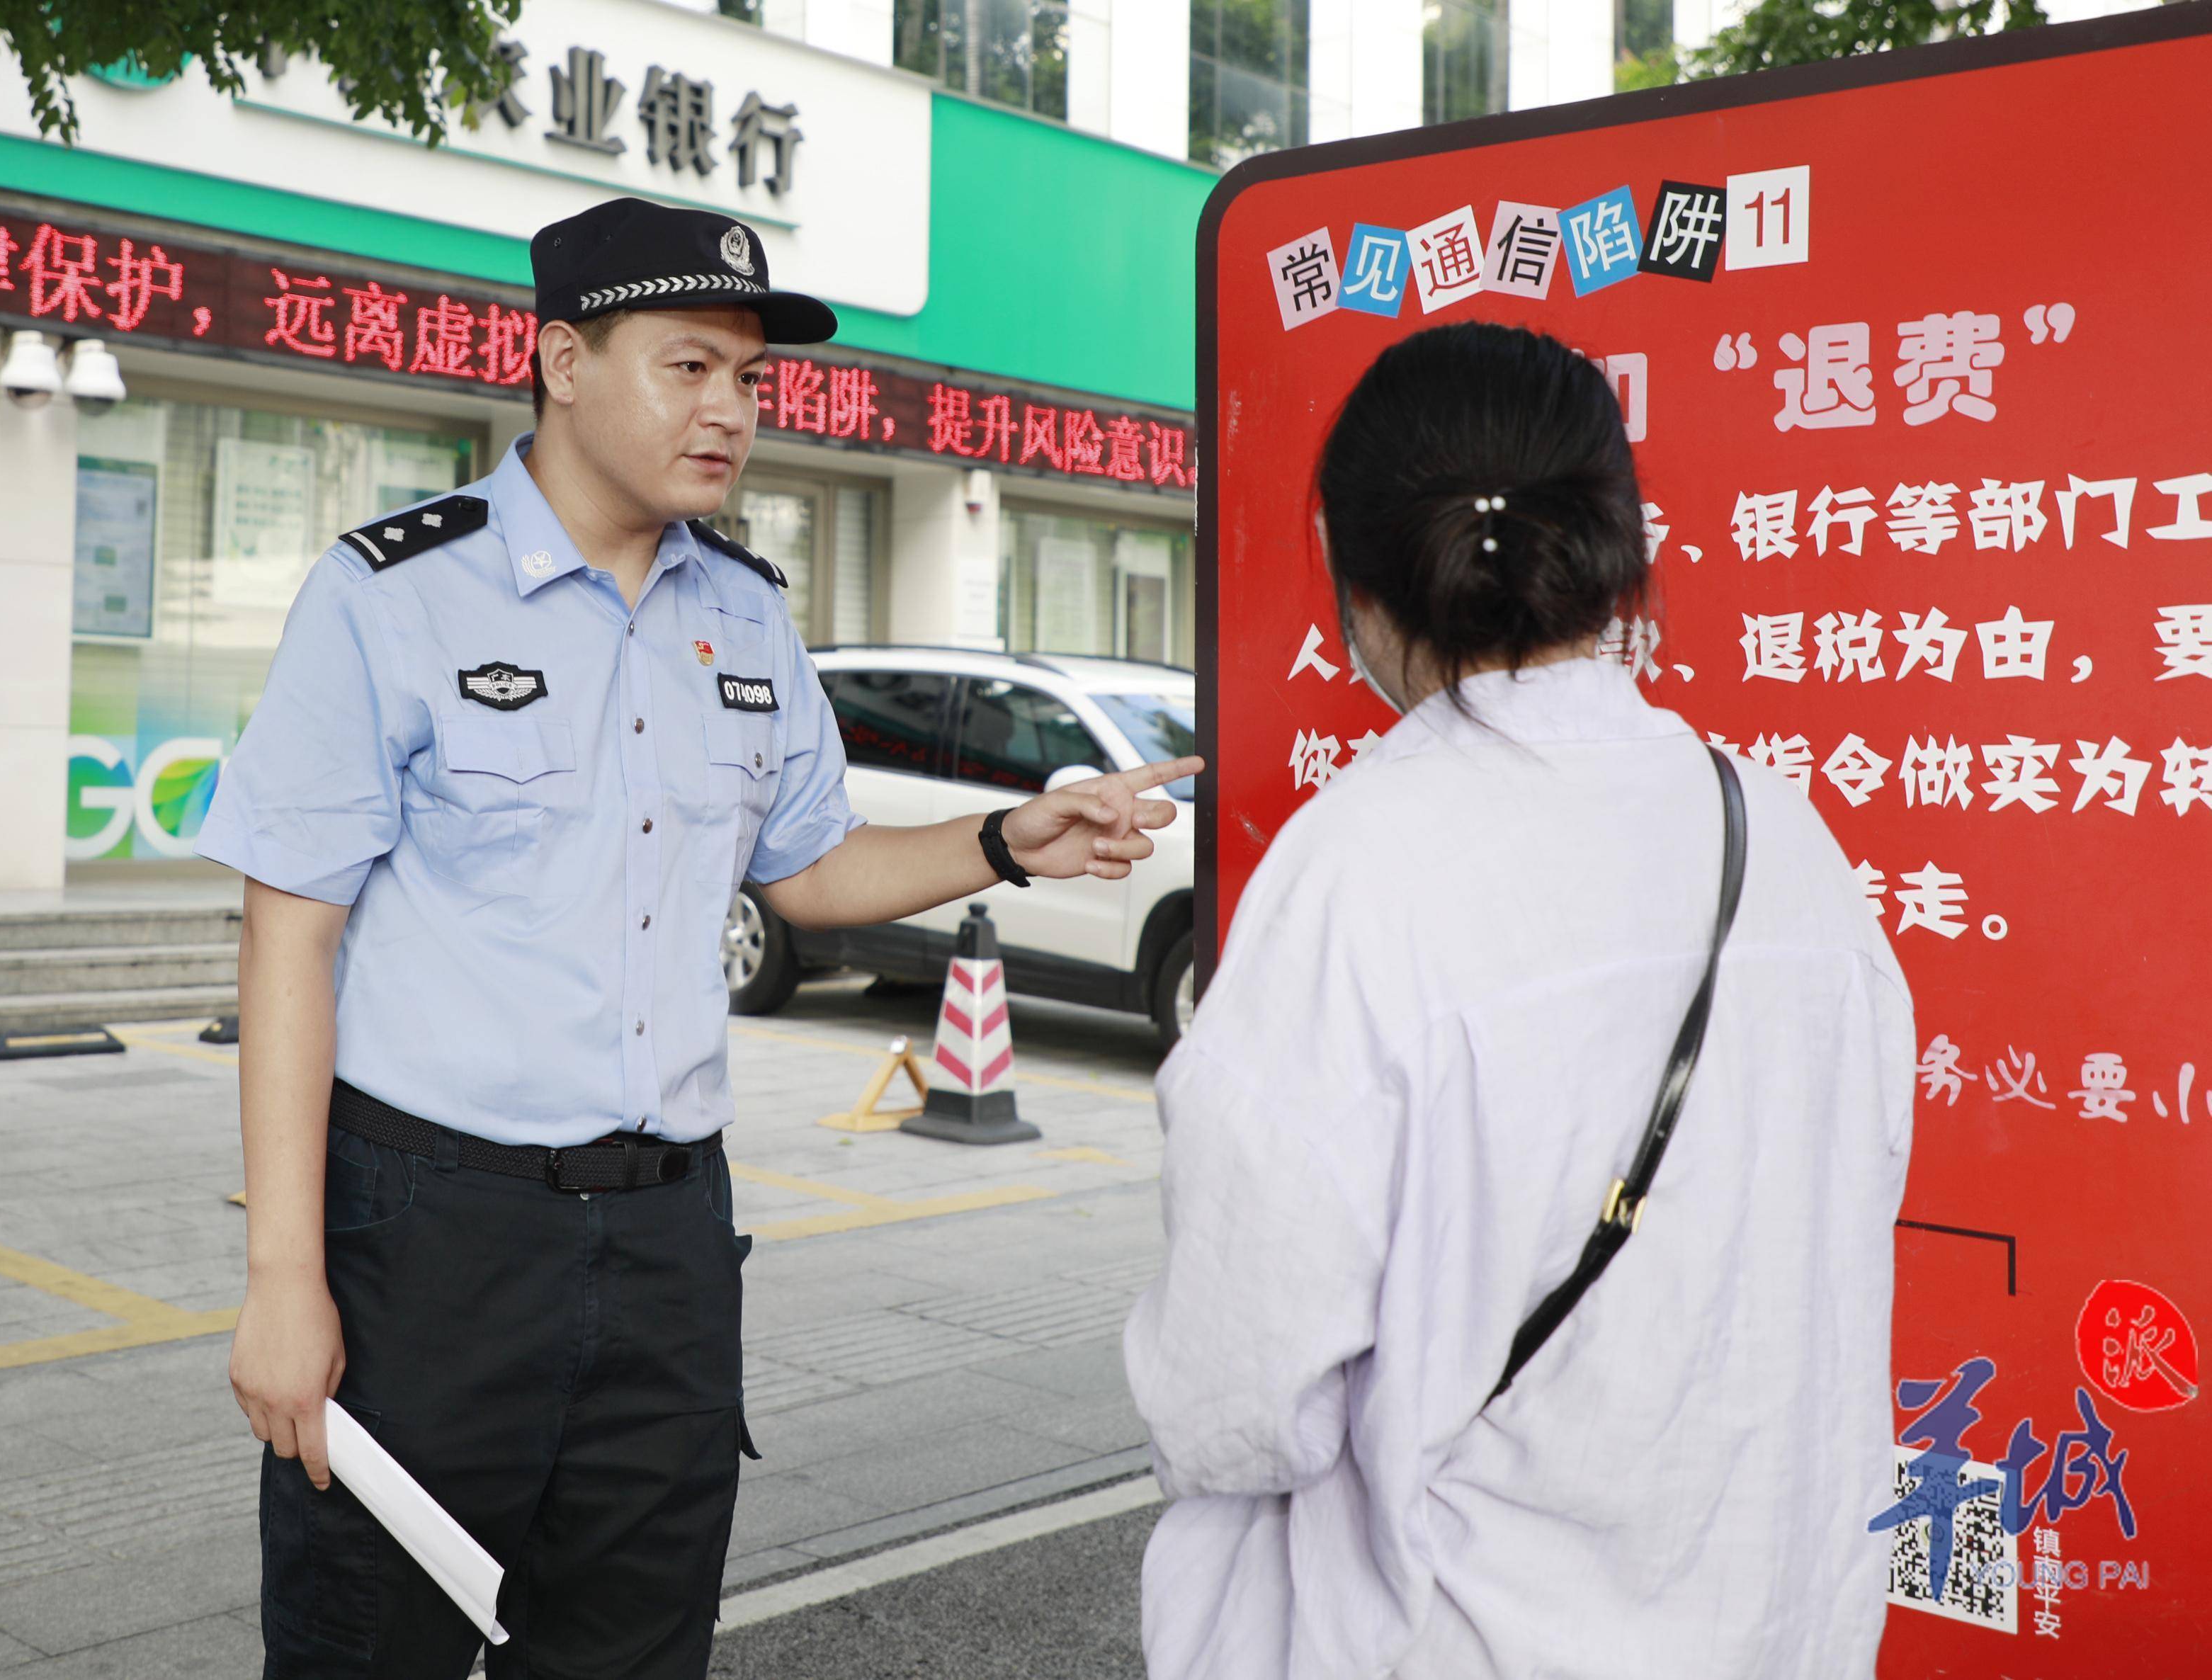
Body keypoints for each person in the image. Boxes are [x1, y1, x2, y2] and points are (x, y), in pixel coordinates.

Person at [196, 195, 1199, 1680]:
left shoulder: (741, 613)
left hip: (670, 1245)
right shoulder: (391, 594)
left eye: (750, 378)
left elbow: (809, 870)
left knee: (634, 1652)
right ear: (562, 361)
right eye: (688, 367)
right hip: (431, 1239)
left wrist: (1005, 837)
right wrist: (286, 1278)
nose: (730, 410)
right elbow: (288, 934)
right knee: (368, 1648)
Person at [1123, 320, 1915, 1679]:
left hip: (1462, 1633)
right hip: (1776, 1618)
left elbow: (1238, 1386)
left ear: (1351, 576)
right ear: (1619, 551)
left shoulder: (1359, 869)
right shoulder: (1783, 841)